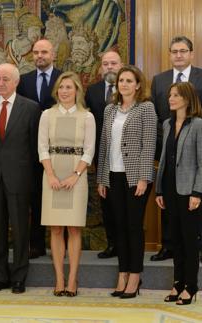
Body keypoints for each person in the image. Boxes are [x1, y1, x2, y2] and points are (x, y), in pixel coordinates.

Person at [0, 63, 41, 294]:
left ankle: (18, 277)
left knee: (20, 229)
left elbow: (35, 146)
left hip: (20, 178)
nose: (0, 83)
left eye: (5, 79)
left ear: (15, 82)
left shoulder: (31, 108)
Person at [97, 65, 157, 299]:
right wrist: (102, 178)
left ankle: (135, 275)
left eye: (129, 81)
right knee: (119, 227)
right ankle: (122, 272)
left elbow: (149, 144)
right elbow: (104, 146)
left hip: (135, 178)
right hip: (112, 175)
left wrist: (143, 177)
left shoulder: (146, 108)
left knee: (133, 227)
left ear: (138, 85)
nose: (124, 84)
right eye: (121, 80)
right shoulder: (110, 110)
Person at [39, 72, 96, 297]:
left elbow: (90, 150)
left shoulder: (87, 117)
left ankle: (72, 279)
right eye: (61, 87)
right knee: (55, 228)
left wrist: (75, 175)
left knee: (73, 228)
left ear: (77, 91)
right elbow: (42, 147)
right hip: (51, 174)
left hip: (77, 176)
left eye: (69, 87)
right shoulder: (47, 115)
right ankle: (59, 279)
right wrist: (51, 174)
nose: (64, 91)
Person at [151, 36, 202, 262]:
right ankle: (168, 245)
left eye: (183, 51)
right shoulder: (159, 80)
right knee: (169, 202)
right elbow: (156, 116)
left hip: (195, 148)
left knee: (195, 203)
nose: (178, 55)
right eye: (174, 51)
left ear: (191, 53)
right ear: (170, 54)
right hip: (168, 147)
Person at [155, 82, 202, 305]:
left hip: (189, 192)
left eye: (175, 95)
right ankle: (177, 283)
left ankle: (191, 287)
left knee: (189, 240)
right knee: (175, 240)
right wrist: (159, 189)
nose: (170, 98)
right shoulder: (167, 123)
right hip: (170, 190)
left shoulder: (198, 125)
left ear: (187, 98)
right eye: (169, 94)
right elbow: (164, 159)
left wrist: (197, 192)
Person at [17, 38, 63, 259]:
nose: (39, 56)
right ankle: (36, 245)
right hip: (29, 151)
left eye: (44, 52)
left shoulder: (63, 79)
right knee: (34, 199)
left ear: (53, 54)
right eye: (36, 52)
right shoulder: (23, 81)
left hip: (59, 151)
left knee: (59, 198)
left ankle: (59, 247)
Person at [85, 50, 123, 259]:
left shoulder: (131, 88)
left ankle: (125, 245)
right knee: (107, 203)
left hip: (126, 156)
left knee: (125, 203)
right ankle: (112, 244)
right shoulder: (92, 91)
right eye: (106, 63)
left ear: (121, 65)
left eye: (113, 63)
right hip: (102, 156)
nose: (109, 67)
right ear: (101, 67)